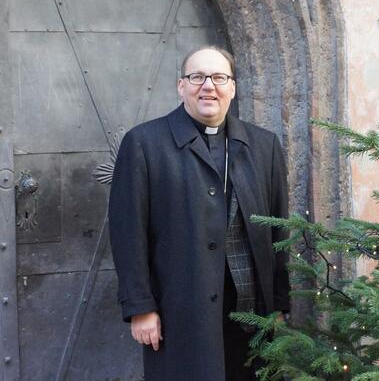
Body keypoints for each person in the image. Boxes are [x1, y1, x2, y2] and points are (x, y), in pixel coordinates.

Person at [108, 46, 290, 381]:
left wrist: (278, 304)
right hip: (179, 309)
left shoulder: (264, 146)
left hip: (252, 310)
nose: (208, 86)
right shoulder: (144, 144)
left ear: (232, 88)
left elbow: (280, 231)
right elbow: (127, 233)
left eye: (219, 77)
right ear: (181, 86)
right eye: (197, 77)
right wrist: (140, 307)